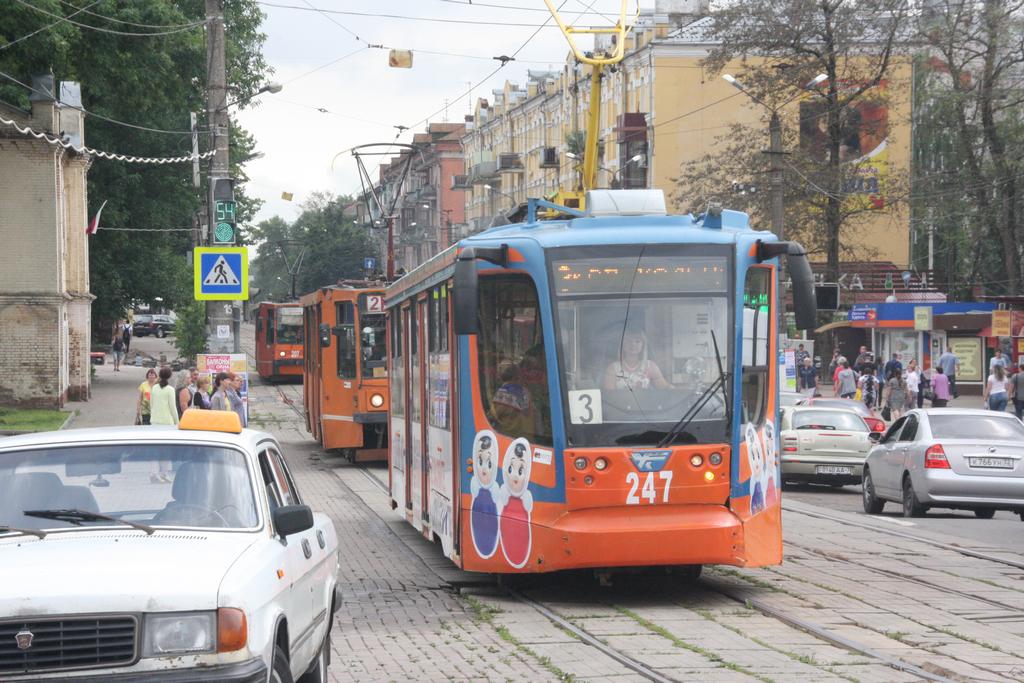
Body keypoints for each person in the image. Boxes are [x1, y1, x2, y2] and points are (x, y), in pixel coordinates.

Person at [603, 328, 671, 391]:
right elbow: (609, 394)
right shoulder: (613, 368)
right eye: (628, 341)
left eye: (637, 341)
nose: (633, 344)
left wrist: (679, 390)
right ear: (622, 344)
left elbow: (665, 388)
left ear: (643, 345)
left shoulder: (650, 366)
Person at [148, 367, 179, 482]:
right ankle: (164, 473)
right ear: (170, 376)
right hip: (167, 423)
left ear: (159, 375)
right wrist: (177, 422)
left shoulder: (154, 388)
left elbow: (151, 404)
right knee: (166, 450)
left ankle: (153, 473)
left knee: (154, 449)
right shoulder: (170, 389)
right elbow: (173, 407)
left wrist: (154, 415)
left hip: (155, 421)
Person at [492, 362, 533, 436]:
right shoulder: (526, 392)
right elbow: (527, 414)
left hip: (505, 435)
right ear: (516, 376)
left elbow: (494, 414)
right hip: (522, 434)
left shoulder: (500, 393)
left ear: (500, 377)